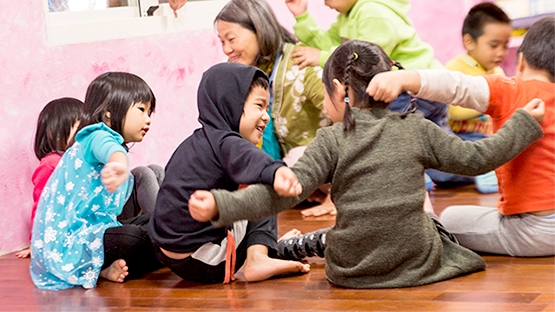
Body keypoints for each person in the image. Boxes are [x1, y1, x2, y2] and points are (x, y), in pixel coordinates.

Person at [187, 40, 545, 288]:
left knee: (350, 228)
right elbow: (479, 158)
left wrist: (223, 204)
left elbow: (282, 195)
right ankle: (314, 242)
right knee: (422, 204)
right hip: (418, 265)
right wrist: (522, 124)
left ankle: (307, 244)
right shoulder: (416, 128)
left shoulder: (331, 139)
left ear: (341, 89)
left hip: (353, 270)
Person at [366, 16, 555, 257]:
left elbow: (455, 85)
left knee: (452, 218)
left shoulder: (511, 89)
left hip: (535, 233)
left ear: (521, 61)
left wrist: (404, 78)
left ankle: (425, 236)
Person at [148, 62, 310, 284]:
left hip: (169, 254)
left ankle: (264, 246)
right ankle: (258, 257)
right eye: (260, 106)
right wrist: (276, 172)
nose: (266, 116)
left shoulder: (196, 142)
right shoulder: (227, 142)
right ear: (231, 104)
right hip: (207, 260)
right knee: (263, 191)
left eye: (267, 108)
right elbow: (253, 160)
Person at [30, 72, 162, 290]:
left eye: (149, 112)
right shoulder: (95, 135)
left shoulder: (110, 141)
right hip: (73, 241)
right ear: (109, 113)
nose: (148, 119)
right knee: (134, 238)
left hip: (99, 230)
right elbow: (109, 150)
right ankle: (164, 247)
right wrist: (118, 163)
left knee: (158, 223)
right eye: (141, 110)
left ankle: (108, 268)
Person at [215, 0, 333, 216]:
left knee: (298, 158)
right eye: (221, 41)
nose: (226, 49)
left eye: (231, 39)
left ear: (258, 29)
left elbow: (350, 121)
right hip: (293, 173)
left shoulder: (300, 62)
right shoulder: (244, 74)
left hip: (318, 164)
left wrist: (336, 194)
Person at [435, 2, 512, 194]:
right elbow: (452, 111)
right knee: (445, 162)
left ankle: (486, 170)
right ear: (469, 42)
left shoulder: (498, 72)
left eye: (505, 46)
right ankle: (486, 171)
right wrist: (488, 103)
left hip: (487, 139)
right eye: (494, 45)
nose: (501, 53)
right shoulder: (456, 69)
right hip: (462, 139)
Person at [15, 98, 84, 259]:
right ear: (55, 132)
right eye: (79, 128)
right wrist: (37, 243)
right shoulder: (52, 165)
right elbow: (41, 206)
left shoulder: (77, 162)